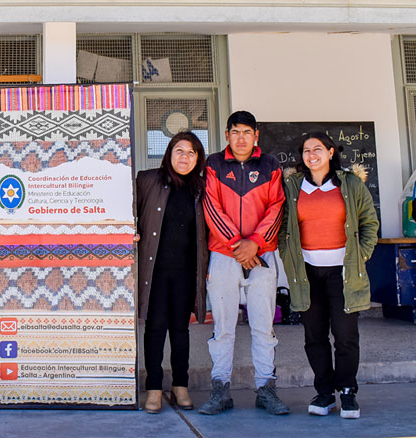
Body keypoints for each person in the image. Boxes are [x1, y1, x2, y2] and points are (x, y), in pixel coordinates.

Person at [278, 132, 378, 419]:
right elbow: (284, 227)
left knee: (346, 336)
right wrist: (288, 258)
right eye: (306, 150)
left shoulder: (350, 184)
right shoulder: (294, 186)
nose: (312, 155)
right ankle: (324, 393)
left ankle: (347, 391)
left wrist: (361, 255)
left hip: (344, 273)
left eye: (318, 149)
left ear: (331, 152)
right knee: (314, 336)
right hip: (307, 273)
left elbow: (369, 222)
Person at [199, 110, 289, 415]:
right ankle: (220, 390)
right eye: (235, 132)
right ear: (227, 135)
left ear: (256, 136)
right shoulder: (213, 164)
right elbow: (211, 208)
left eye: (247, 132)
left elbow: (277, 207)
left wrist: (256, 245)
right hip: (224, 255)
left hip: (262, 255)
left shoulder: (271, 165)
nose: (241, 138)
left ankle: (267, 389)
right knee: (223, 327)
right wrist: (241, 248)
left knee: (263, 327)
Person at [136, 131, 208, 413]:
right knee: (155, 328)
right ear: (169, 153)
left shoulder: (201, 187)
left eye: (191, 153)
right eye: (180, 150)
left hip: (186, 270)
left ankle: (180, 385)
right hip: (154, 270)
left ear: (198, 159)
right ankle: (154, 387)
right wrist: (132, 230)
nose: (185, 157)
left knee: (180, 330)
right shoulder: (148, 179)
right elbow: (128, 211)